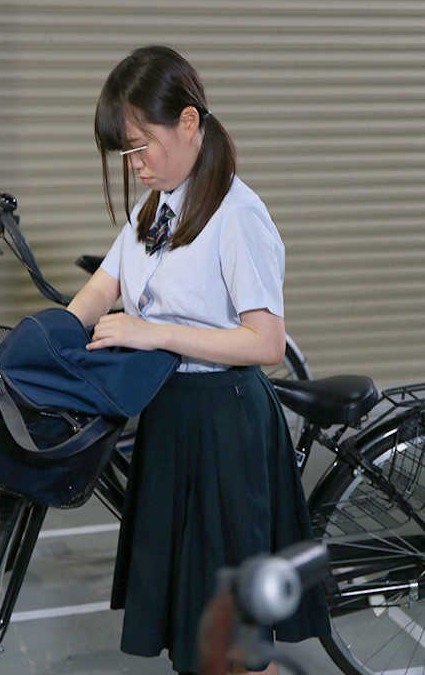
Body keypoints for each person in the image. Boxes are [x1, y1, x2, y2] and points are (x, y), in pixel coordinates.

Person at [66, 45, 330, 675]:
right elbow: (102, 287)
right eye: (125, 154)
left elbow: (265, 343)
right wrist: (52, 339)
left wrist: (153, 333)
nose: (134, 165)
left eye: (140, 147)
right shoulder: (155, 206)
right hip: (171, 419)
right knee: (194, 628)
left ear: (189, 123)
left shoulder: (238, 216)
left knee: (229, 638)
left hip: (224, 426)